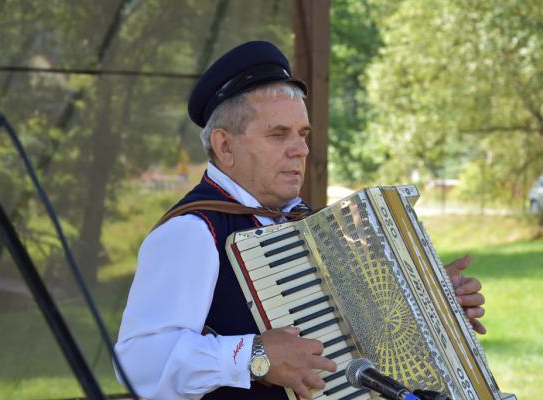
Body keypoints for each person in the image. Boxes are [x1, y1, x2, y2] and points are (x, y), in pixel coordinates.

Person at [114, 41, 486, 400]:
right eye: (279, 135)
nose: (301, 149)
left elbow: (356, 332)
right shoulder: (192, 231)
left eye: (303, 135)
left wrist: (434, 308)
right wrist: (253, 356)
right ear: (225, 146)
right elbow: (138, 364)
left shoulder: (304, 220)